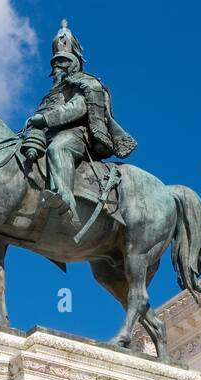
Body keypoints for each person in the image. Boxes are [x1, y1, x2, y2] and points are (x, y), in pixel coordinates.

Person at [22, 20, 136, 231]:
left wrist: (46, 119)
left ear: (72, 64)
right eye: (55, 63)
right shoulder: (51, 93)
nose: (56, 67)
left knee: (59, 148)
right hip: (47, 135)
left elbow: (78, 108)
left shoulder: (84, 83)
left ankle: (65, 201)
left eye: (61, 62)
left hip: (77, 135)